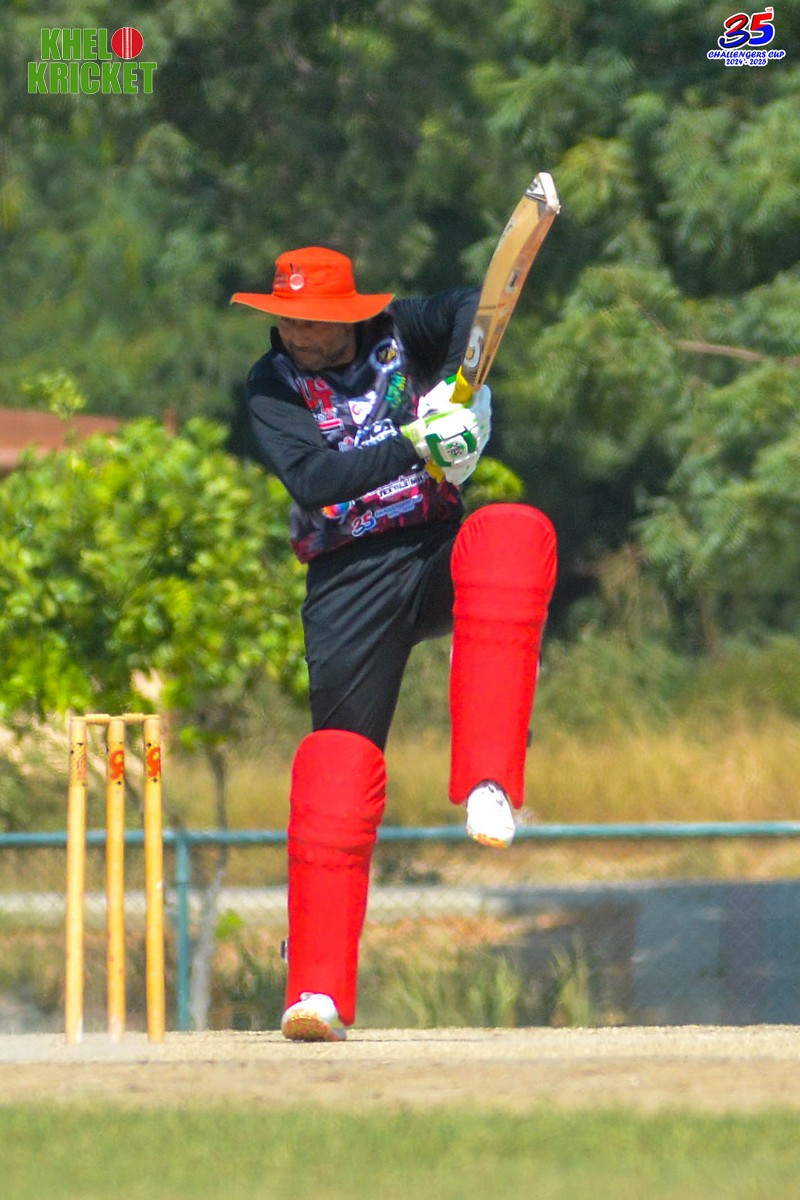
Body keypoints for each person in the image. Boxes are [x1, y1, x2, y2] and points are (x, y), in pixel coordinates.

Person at [231, 246, 557, 1041]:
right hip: (348, 578)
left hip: (432, 546)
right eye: (286, 320)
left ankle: (489, 782)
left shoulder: (399, 329)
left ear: (349, 315)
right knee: (336, 764)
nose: (296, 335)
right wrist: (419, 440)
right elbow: (314, 481)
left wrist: (458, 395)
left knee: (513, 533)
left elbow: (474, 306)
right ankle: (316, 992)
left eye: (312, 323)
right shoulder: (271, 383)